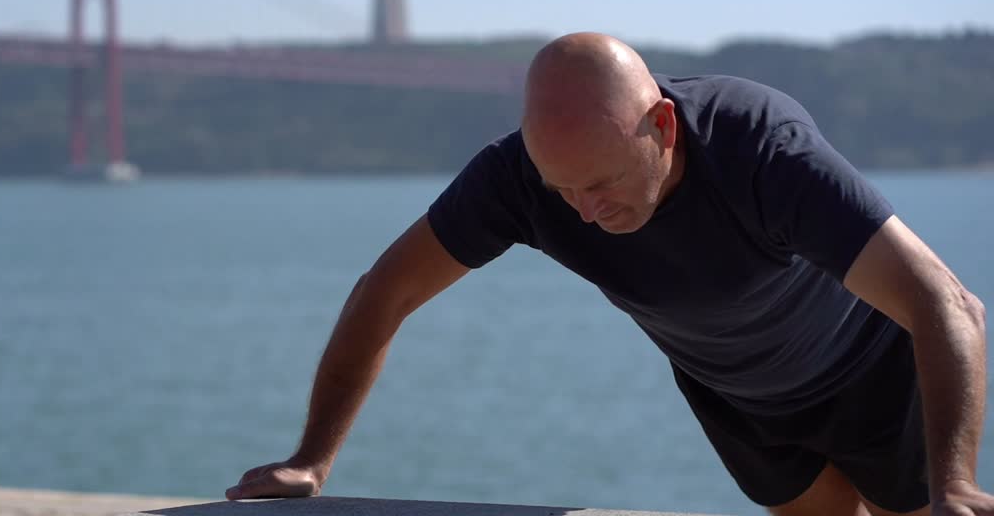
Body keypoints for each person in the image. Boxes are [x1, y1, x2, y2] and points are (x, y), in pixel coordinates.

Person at [226, 32, 993, 515]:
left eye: (603, 184)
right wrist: (310, 460)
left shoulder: (763, 149)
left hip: (869, 373)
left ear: (661, 126)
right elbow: (384, 292)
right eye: (564, 191)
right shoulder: (519, 181)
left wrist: (955, 481)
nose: (586, 212)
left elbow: (949, 303)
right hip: (733, 391)